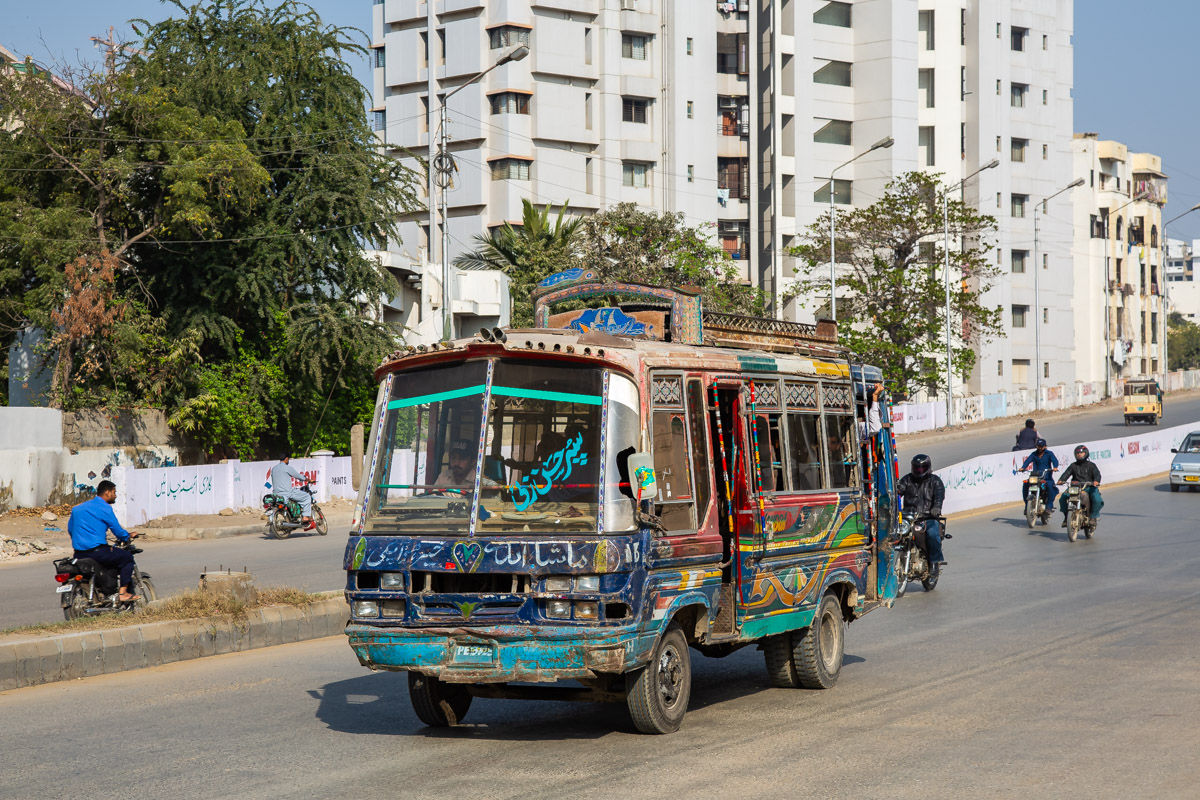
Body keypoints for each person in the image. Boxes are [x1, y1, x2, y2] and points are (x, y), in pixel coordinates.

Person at [67, 480, 140, 602]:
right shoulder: (104, 508)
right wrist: (127, 536)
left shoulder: (78, 509)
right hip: (98, 552)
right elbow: (117, 530)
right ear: (107, 493)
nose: (115, 495)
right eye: (114, 492)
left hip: (79, 553)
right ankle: (123, 593)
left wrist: (82, 539)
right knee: (127, 558)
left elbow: (71, 529)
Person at [897, 454, 947, 566]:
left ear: (928, 467)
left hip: (928, 518)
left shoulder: (935, 481)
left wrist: (936, 508)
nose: (919, 470)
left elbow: (939, 496)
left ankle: (934, 562)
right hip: (909, 518)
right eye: (916, 468)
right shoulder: (907, 479)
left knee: (932, 534)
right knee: (894, 534)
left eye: (922, 468)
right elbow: (898, 491)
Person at [1057, 445, 1104, 527]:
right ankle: (1066, 518)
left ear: (1086, 453)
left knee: (1097, 500)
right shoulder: (1073, 465)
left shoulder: (1091, 465)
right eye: (1077, 453)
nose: (1079, 454)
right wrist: (1061, 480)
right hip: (1075, 487)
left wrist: (1096, 481)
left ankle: (1093, 517)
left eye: (1081, 453)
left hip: (1089, 487)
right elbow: (1066, 474)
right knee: (1063, 498)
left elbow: (1097, 474)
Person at [271, 454, 313, 528]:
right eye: (288, 459)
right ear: (286, 459)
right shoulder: (287, 468)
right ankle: (305, 517)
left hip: (276, 494)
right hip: (287, 493)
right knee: (307, 497)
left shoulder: (274, 469)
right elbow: (298, 476)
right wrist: (308, 480)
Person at [1019, 438, 1059, 508]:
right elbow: (1027, 461)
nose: (1039, 448)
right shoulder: (1033, 454)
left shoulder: (1049, 453)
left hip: (1046, 477)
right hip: (1035, 477)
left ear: (1045, 446)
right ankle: (1026, 505)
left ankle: (1049, 505)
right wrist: (1023, 467)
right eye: (1038, 446)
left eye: (1041, 446)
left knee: (1050, 486)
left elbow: (1055, 461)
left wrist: (1055, 467)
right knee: (1026, 484)